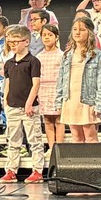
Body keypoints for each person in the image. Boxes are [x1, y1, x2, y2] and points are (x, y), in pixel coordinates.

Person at [0, 25, 44, 184]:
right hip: (12, 106)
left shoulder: (33, 61)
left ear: (26, 41)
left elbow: (36, 84)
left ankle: (37, 171)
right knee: (13, 140)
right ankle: (11, 170)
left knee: (34, 140)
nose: (13, 45)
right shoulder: (9, 63)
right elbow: (8, 84)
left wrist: (29, 103)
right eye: (10, 42)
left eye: (16, 42)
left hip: (29, 107)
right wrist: (6, 102)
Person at [57, 17, 101, 143]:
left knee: (90, 137)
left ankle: (93, 162)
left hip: (88, 100)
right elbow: (61, 80)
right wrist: (59, 101)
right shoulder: (67, 55)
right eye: (75, 29)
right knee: (76, 137)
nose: (77, 32)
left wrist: (99, 103)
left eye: (82, 30)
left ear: (90, 33)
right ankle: (79, 163)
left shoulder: (98, 55)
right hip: (70, 100)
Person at [36, 24, 64, 152]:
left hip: (57, 89)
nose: (47, 38)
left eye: (50, 35)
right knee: (47, 120)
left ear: (56, 37)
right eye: (44, 35)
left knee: (59, 119)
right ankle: (52, 148)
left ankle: (59, 148)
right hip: (43, 89)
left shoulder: (62, 55)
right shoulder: (39, 57)